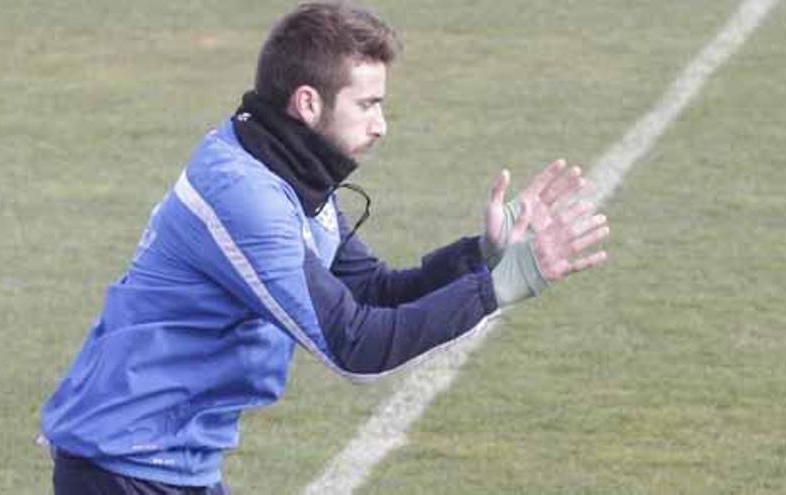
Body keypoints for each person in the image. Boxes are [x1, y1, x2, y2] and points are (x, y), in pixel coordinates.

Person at [40, 2, 610, 493]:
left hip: (166, 463)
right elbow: (357, 345)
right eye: (367, 104)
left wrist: (481, 256)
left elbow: (373, 291)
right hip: (122, 466)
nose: (382, 125)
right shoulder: (245, 198)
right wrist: (509, 283)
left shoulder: (289, 173)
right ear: (308, 103)